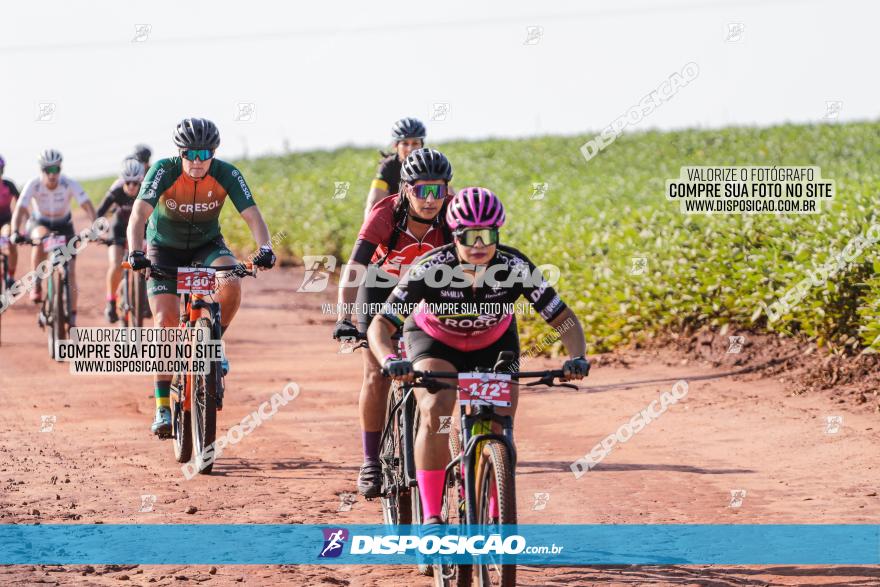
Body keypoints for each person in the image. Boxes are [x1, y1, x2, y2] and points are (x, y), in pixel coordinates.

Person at [367, 187, 590, 524]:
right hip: (434, 340)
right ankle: (431, 518)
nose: (479, 245)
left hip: (492, 342)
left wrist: (577, 357)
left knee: (499, 421)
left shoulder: (515, 265)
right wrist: (389, 360)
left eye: (488, 235)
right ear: (454, 235)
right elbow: (381, 324)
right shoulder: (432, 266)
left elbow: (563, 319)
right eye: (469, 236)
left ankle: (493, 503)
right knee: (437, 410)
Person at [126, 118, 276, 437]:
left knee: (231, 281)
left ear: (214, 152)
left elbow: (252, 215)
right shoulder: (164, 171)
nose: (197, 161)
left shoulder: (226, 173)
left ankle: (214, 344)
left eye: (204, 153)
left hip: (206, 246)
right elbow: (138, 214)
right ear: (180, 152)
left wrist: (265, 248)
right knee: (165, 322)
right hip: (163, 249)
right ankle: (163, 405)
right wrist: (134, 252)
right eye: (190, 153)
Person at [333, 148, 454, 498]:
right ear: (405, 188)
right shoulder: (385, 213)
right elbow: (354, 269)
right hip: (381, 287)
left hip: (432, 288)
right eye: (422, 190)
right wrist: (344, 317)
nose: (431, 200)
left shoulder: (452, 214)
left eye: (439, 190)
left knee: (439, 369)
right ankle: (371, 460)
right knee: (375, 372)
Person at [10, 150, 96, 323]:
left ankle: (72, 316)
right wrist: (14, 231)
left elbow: (86, 204)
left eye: (55, 169)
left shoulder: (68, 183)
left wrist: (95, 226)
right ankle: (36, 283)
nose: (52, 174)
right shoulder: (33, 184)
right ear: (41, 170)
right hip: (39, 223)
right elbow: (19, 209)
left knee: (70, 270)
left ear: (60, 169)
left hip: (64, 225)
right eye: (47, 170)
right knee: (40, 241)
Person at [96, 159, 144, 322]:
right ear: (123, 180)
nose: (131, 186)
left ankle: (143, 296)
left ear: (141, 181)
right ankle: (111, 301)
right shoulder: (116, 191)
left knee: (149, 259)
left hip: (140, 229)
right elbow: (99, 213)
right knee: (116, 264)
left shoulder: (146, 190)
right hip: (118, 228)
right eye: (128, 182)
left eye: (135, 183)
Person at [363, 118, 426, 217]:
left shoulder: (430, 164)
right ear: (395, 146)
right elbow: (373, 205)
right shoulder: (388, 167)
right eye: (405, 143)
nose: (410, 149)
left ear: (422, 145)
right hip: (396, 217)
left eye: (415, 143)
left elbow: (449, 197)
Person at [0, 155, 20, 288]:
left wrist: (25, 224)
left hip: (6, 222)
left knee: (10, 240)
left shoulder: (9, 185)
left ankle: (10, 277)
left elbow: (22, 205)